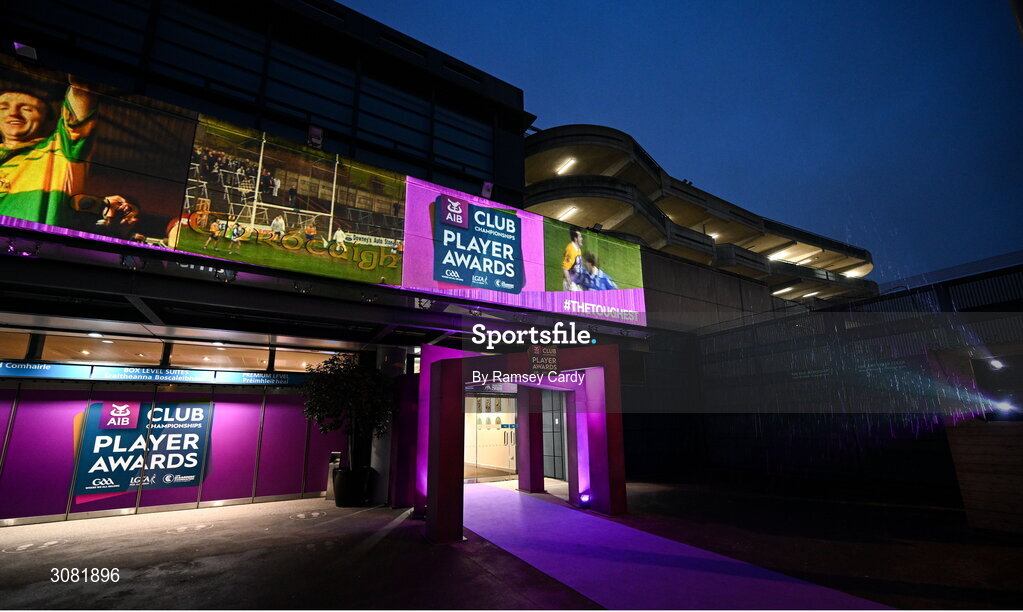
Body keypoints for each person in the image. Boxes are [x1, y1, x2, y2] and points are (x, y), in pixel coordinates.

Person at [0, 73, 98, 227]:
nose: (13, 113)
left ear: (46, 119)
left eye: (27, 109)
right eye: (3, 108)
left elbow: (81, 102)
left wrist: (80, 81)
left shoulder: (60, 150)